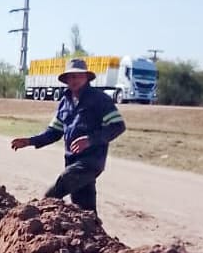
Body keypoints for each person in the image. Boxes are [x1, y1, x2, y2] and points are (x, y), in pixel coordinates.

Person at [11, 58, 125, 214]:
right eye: (70, 77)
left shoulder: (100, 100)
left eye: (78, 76)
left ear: (86, 77)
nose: (74, 80)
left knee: (51, 196)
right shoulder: (65, 102)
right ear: (65, 80)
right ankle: (93, 236)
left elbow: (118, 126)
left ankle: (36, 225)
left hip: (91, 161)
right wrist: (30, 141)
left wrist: (90, 140)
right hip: (72, 161)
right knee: (84, 210)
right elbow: (54, 132)